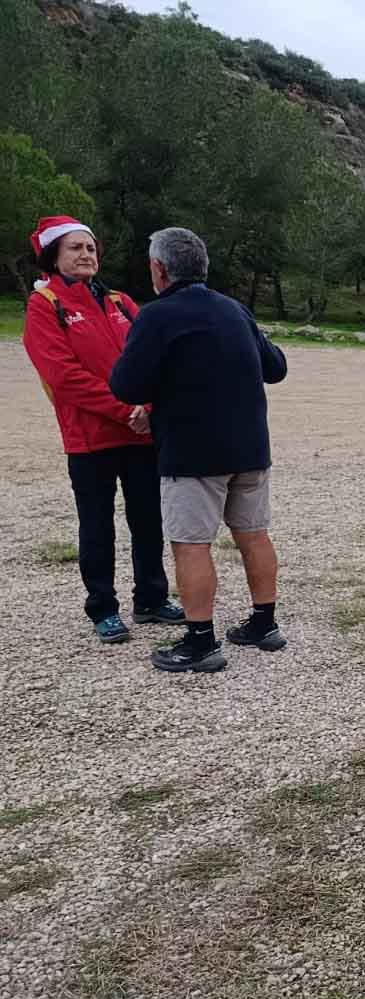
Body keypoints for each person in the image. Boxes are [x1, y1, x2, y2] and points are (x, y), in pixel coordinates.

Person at [110, 228, 288, 673]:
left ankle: (200, 641)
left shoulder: (157, 316)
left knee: (191, 544)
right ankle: (264, 624)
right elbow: (276, 367)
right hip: (250, 447)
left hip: (192, 453)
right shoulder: (234, 310)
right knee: (254, 533)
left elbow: (125, 384)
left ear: (159, 268)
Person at [23, 215, 184, 643]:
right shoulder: (45, 306)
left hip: (140, 433)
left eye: (90, 247)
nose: (86, 254)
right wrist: (124, 407)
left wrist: (146, 407)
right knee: (97, 524)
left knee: (149, 519)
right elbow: (63, 375)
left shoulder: (120, 302)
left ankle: (151, 597)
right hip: (90, 438)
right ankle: (103, 608)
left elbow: (156, 357)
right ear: (53, 257)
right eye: (75, 248)